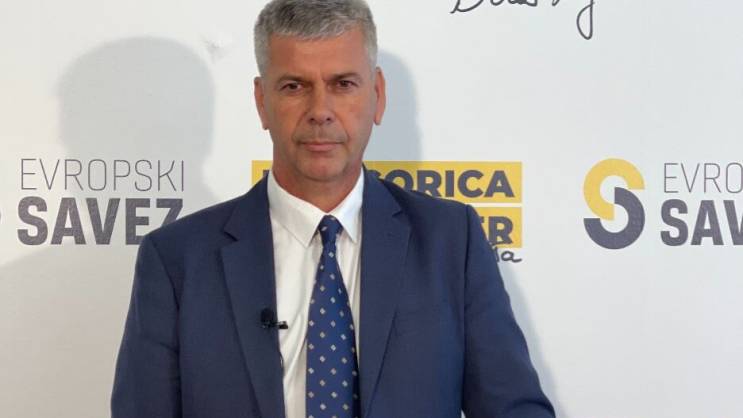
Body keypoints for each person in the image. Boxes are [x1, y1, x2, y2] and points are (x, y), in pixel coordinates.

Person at [110, 0, 556, 417]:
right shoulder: (177, 260)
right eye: (294, 86)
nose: (320, 111)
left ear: (377, 94)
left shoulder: (451, 241)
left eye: (343, 84)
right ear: (262, 102)